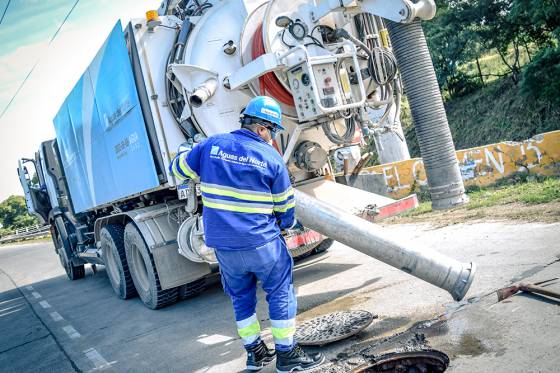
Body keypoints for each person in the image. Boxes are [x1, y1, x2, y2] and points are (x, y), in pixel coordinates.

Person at [169, 96, 324, 372]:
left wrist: (189, 152)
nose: (273, 138)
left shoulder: (211, 145)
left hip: (225, 248)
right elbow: (285, 209)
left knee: (241, 298)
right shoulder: (271, 158)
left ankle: (255, 352)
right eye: (273, 132)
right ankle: (287, 356)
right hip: (261, 243)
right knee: (279, 292)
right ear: (262, 129)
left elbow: (178, 169)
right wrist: (284, 225)